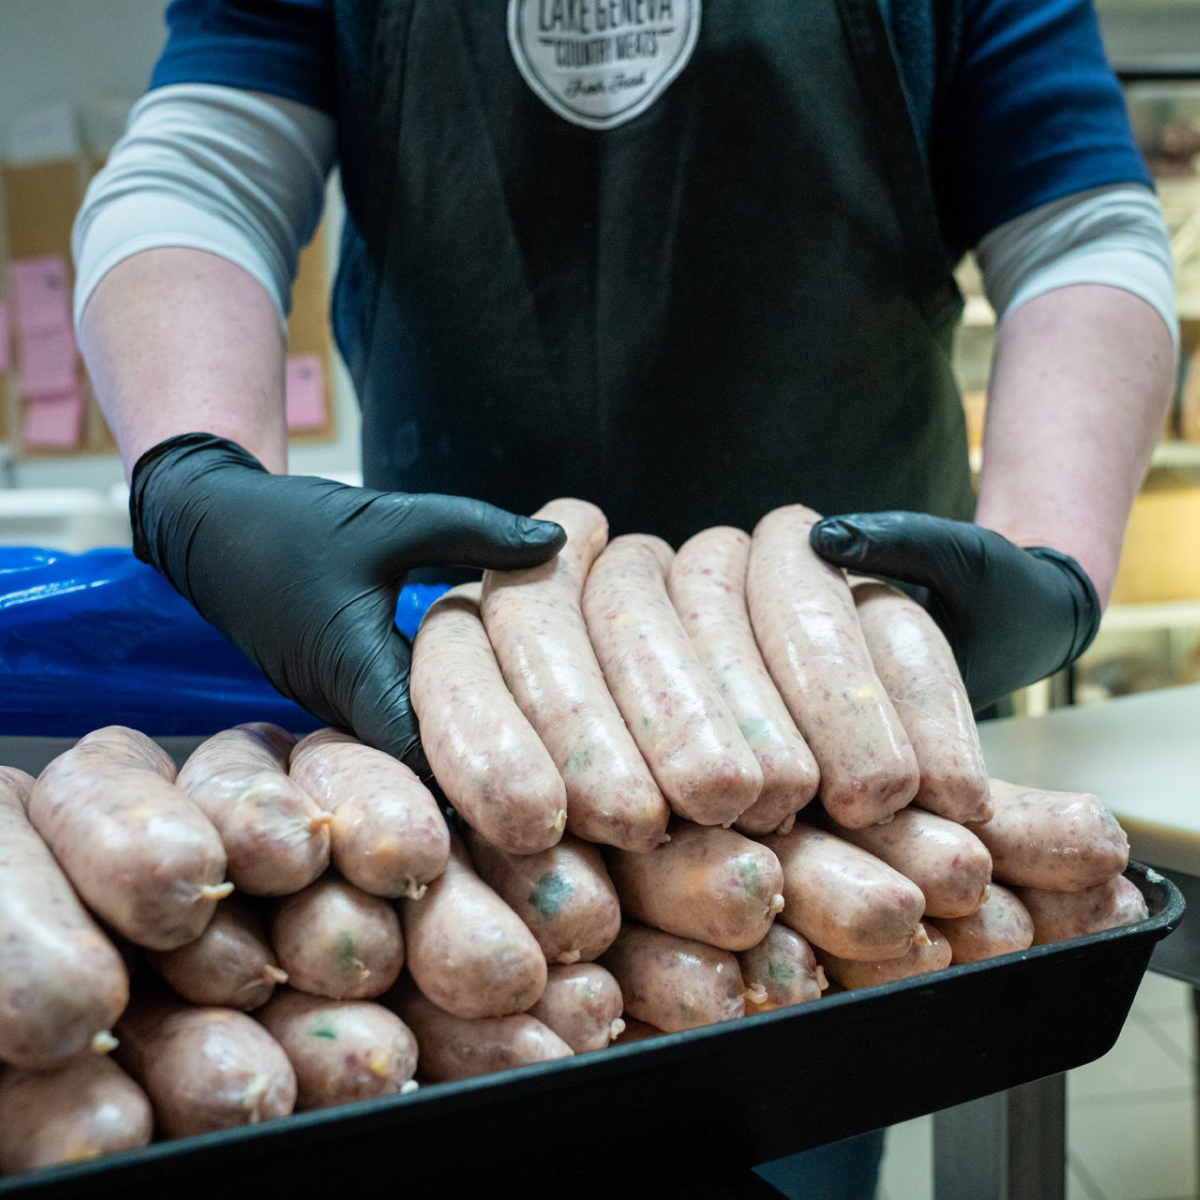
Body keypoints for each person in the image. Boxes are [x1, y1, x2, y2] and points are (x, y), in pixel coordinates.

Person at [72, 1, 1177, 1194]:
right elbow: (201, 166)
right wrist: (194, 467)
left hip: (852, 703)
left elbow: (1080, 230)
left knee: (798, 1114)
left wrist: (1053, 554)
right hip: (457, 689)